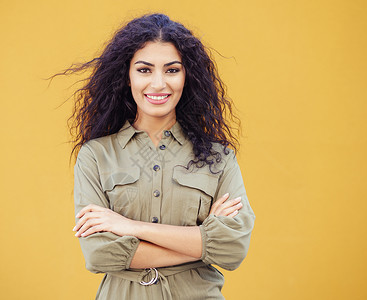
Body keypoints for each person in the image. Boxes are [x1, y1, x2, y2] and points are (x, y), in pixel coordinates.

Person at [66, 13, 255, 300]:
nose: (158, 84)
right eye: (144, 70)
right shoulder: (96, 156)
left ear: (186, 77)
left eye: (171, 70)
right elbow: (99, 254)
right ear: (126, 77)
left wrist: (130, 228)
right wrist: (202, 241)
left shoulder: (219, 157)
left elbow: (233, 247)